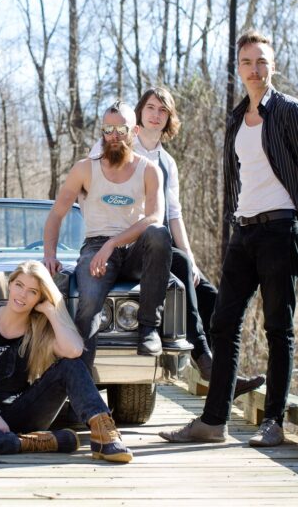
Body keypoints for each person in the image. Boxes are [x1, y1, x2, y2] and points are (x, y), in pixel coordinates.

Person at [160, 30, 298, 447]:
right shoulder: (237, 118)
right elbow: (236, 177)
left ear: (272, 65)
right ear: (238, 69)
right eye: (246, 63)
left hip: (280, 230)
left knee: (279, 328)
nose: (254, 70)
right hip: (244, 232)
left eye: (261, 62)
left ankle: (272, 421)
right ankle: (213, 421)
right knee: (223, 323)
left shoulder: (289, 111)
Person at [90, 88, 264, 397]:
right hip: (125, 247)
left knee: (209, 294)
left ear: (169, 118)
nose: (156, 114)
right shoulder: (115, 145)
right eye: (151, 108)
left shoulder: (168, 163)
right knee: (181, 264)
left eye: (163, 110)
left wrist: (192, 256)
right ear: (139, 115)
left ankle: (225, 372)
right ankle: (207, 364)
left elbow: (174, 215)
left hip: (159, 244)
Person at [0, 260, 132, 463]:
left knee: (70, 366)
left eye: (32, 292)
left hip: (23, 410)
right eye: (19, 285)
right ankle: (31, 443)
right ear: (10, 284)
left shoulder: (40, 332)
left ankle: (104, 434)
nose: (22, 295)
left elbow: (74, 352)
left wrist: (52, 312)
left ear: (40, 298)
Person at [43, 101, 171, 362]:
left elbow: (155, 217)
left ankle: (149, 328)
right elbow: (56, 214)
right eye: (107, 129)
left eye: (120, 129)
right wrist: (49, 254)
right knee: (88, 304)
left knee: (159, 234)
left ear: (134, 131)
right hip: (95, 249)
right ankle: (82, 386)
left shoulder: (149, 170)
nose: (113, 136)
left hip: (135, 248)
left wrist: (113, 243)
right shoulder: (84, 169)